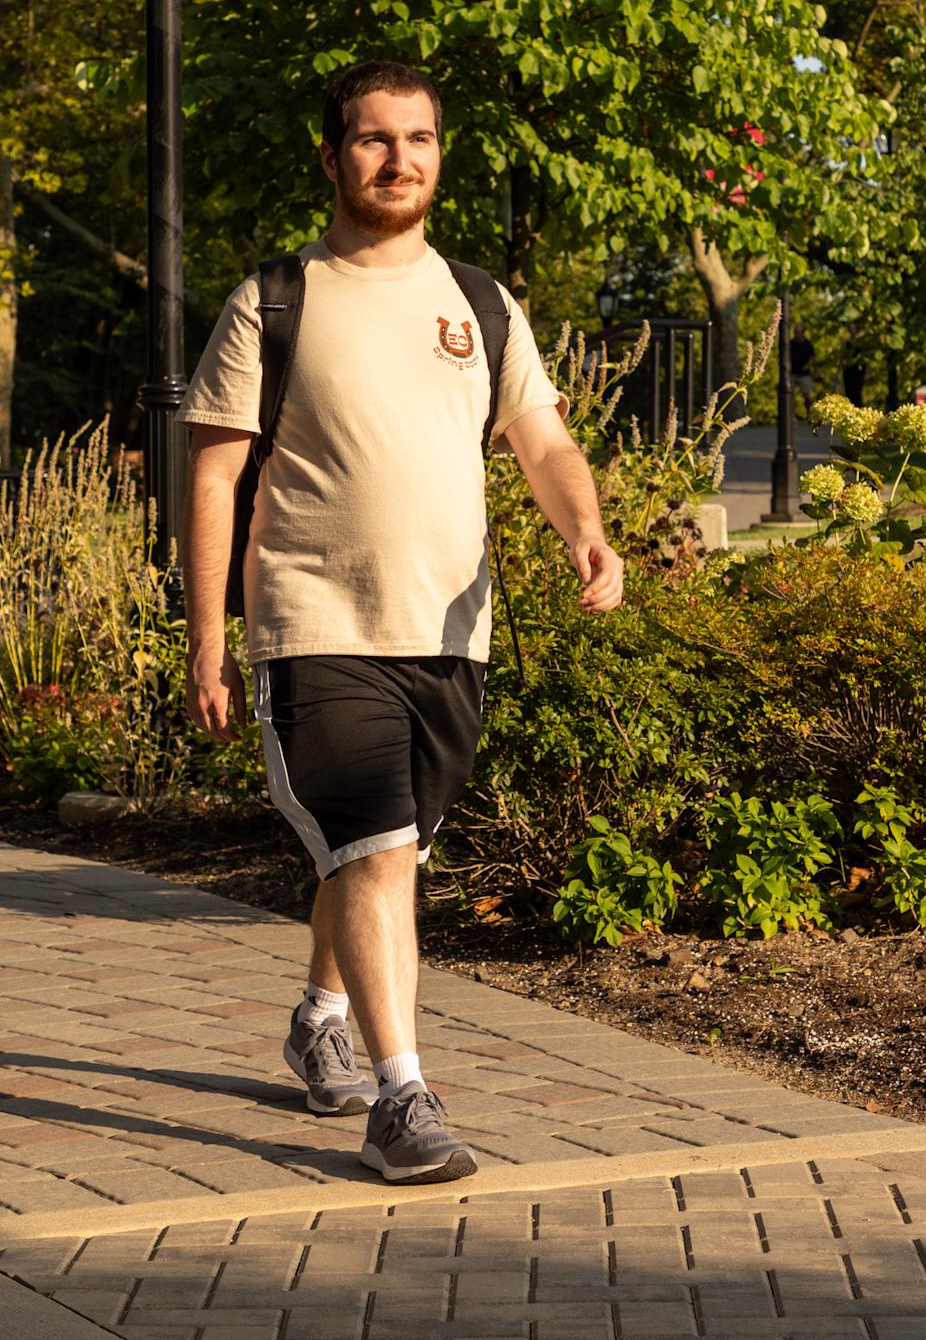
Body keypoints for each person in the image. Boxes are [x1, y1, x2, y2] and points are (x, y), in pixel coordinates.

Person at [180, 61, 624, 1185]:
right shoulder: (275, 299)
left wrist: (585, 529)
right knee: (378, 850)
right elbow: (215, 477)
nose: (398, 159)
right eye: (374, 140)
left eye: (418, 138)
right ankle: (402, 1098)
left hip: (448, 627)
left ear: (439, 153)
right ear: (333, 157)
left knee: (382, 853)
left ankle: (320, 1014)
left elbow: (542, 439)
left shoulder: (480, 300)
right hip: (315, 621)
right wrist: (208, 642)